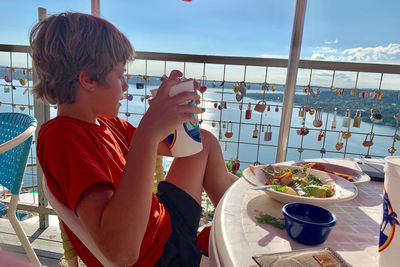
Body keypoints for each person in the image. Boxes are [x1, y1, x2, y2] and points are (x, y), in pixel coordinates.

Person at [31, 12, 236, 266]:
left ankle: (236, 224)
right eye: (119, 76)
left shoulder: (106, 122)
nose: (126, 86)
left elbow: (178, 148)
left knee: (204, 142)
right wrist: (148, 133)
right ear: (88, 79)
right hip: (157, 258)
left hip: (163, 224)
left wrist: (176, 113)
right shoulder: (63, 137)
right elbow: (122, 252)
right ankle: (237, 237)